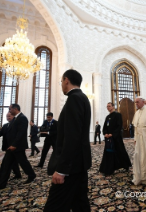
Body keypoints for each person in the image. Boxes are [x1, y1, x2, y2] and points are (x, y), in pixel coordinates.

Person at [44, 69, 91, 212]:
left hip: (71, 166)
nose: (61, 85)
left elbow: (72, 136)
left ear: (66, 80)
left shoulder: (74, 98)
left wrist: (62, 169)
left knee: (55, 205)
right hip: (79, 163)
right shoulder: (82, 97)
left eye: (61, 82)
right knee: (80, 203)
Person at [0, 104, 36, 191]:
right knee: (6, 164)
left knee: (21, 163)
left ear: (15, 108)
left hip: (17, 147)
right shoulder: (15, 119)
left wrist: (14, 145)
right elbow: (8, 132)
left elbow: (21, 133)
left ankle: (31, 175)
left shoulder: (22, 118)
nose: (9, 110)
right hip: (11, 147)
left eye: (10, 109)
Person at [0, 112, 21, 185]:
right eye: (7, 116)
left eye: (9, 116)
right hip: (7, 147)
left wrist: (14, 145)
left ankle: (1, 183)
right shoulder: (5, 125)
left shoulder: (16, 125)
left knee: (6, 165)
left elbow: (19, 135)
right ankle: (17, 175)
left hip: (13, 147)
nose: (8, 118)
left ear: (14, 116)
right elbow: (0, 133)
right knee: (13, 162)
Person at [99, 102, 132, 176]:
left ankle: (126, 165)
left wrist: (113, 134)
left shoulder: (118, 115)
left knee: (120, 151)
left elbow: (119, 126)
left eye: (109, 106)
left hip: (116, 138)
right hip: (109, 139)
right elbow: (105, 127)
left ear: (113, 107)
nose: (108, 108)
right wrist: (105, 133)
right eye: (107, 106)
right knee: (109, 153)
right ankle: (108, 169)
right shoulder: (107, 117)